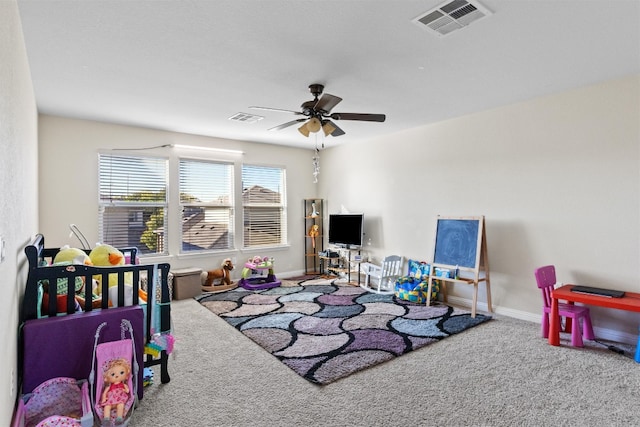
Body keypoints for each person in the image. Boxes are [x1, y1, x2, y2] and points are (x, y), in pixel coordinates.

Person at [100, 357, 131, 424]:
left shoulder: (123, 384)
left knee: (121, 405)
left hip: (120, 399)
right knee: (107, 407)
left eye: (121, 372)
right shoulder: (109, 386)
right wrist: (104, 398)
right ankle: (106, 419)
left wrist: (125, 390)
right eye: (113, 374)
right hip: (110, 400)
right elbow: (105, 392)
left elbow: (127, 391)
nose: (117, 375)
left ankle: (119, 418)